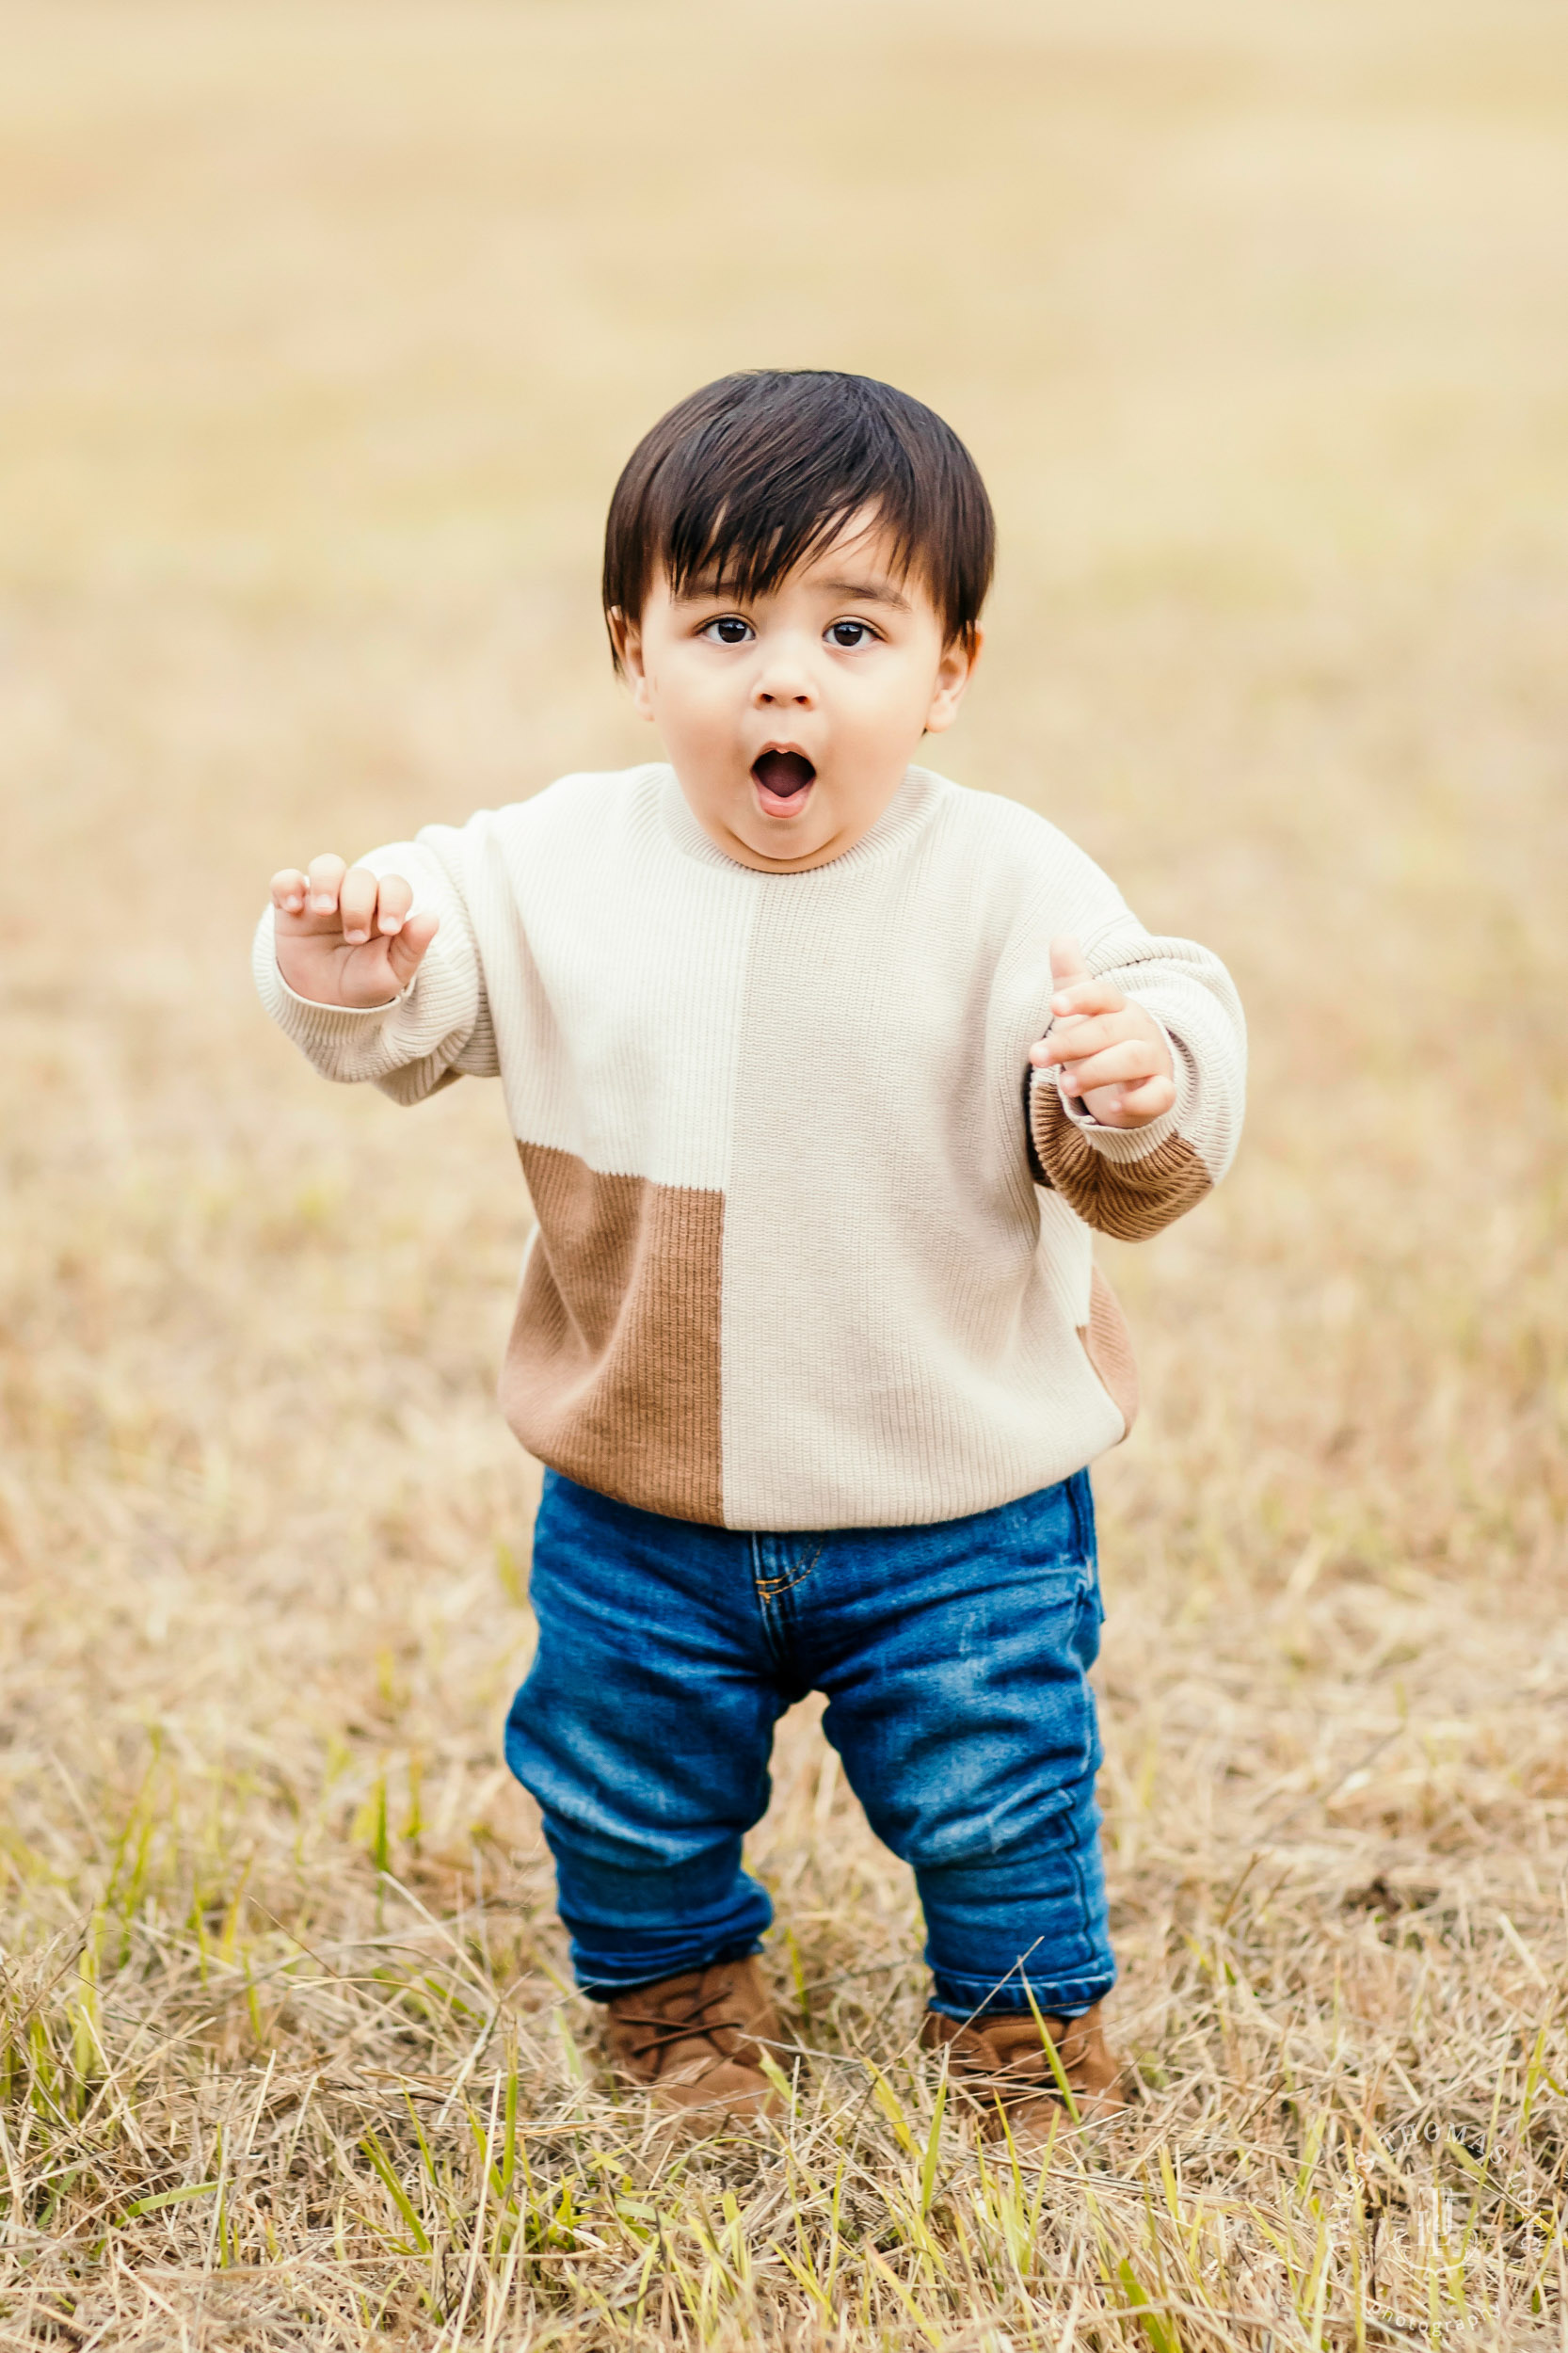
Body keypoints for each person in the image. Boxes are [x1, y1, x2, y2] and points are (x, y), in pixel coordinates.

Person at [256, 370, 1245, 2144]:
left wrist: (1140, 1075)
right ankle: (677, 2006)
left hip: (954, 1503)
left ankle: (1019, 2031)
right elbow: (414, 985)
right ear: (634, 650)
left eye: (852, 628)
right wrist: (350, 965)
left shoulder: (1009, 888)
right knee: (620, 1787)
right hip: (644, 1494)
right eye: (726, 621)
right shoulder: (549, 864)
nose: (785, 674)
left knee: (997, 1784)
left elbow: (1159, 1028)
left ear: (948, 672)